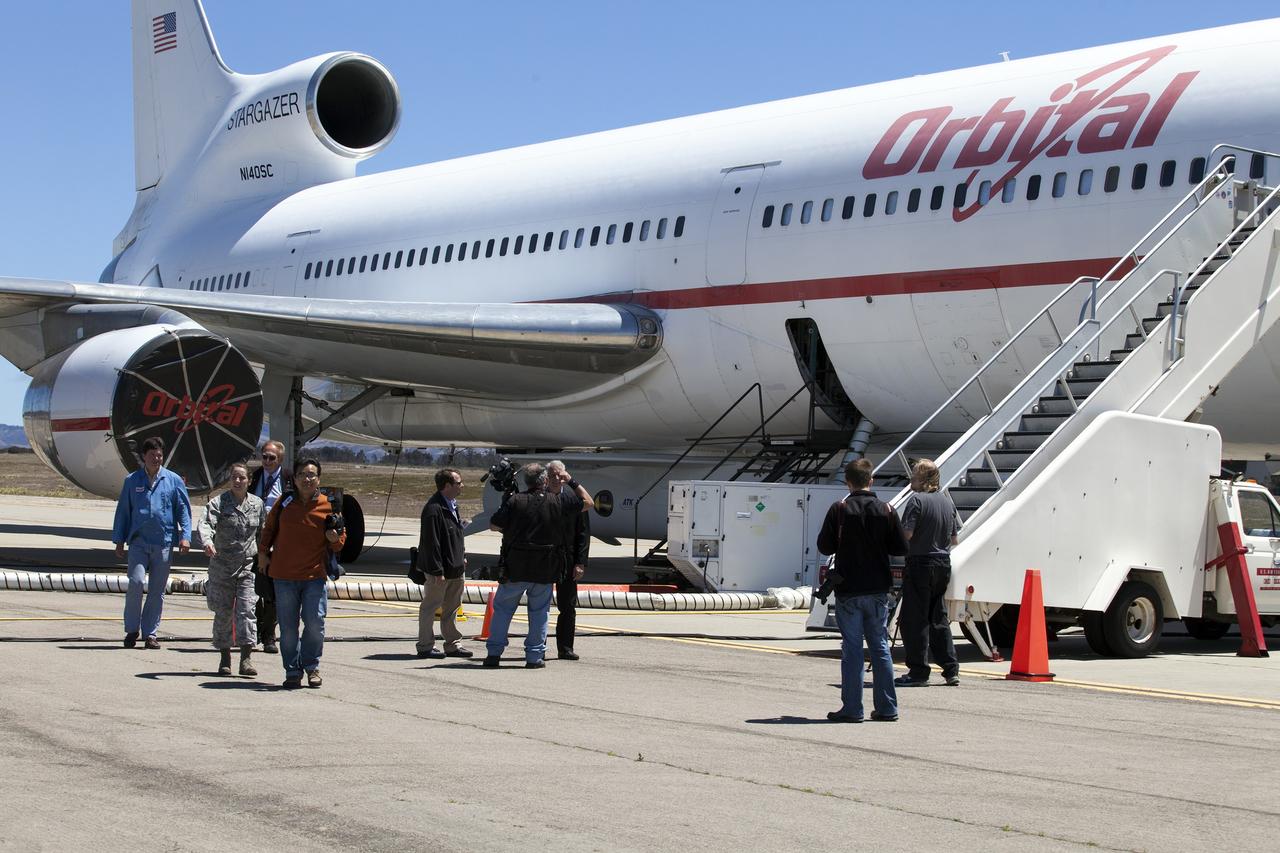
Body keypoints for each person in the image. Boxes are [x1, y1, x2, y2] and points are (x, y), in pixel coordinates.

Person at [816, 458, 908, 723]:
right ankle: (887, 707)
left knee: (852, 649)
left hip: (849, 588)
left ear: (848, 482)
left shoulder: (840, 509)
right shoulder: (887, 509)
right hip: (878, 588)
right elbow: (901, 548)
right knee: (880, 647)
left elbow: (824, 546)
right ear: (871, 480)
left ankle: (852, 708)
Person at [485, 463, 592, 668]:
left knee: (503, 611)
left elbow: (494, 525)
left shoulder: (515, 500)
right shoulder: (556, 502)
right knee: (539, 613)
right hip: (544, 568)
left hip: (516, 567)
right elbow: (588, 502)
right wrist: (571, 480)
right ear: (544, 480)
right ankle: (534, 657)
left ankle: (494, 654)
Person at [257, 458, 346, 689]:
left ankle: (311, 666)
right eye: (302, 475)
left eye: (311, 475)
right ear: (294, 479)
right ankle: (292, 671)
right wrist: (263, 553)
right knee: (288, 629)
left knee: (315, 623)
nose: (307, 479)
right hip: (284, 576)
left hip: (314, 577)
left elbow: (339, 542)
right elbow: (269, 529)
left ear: (319, 479)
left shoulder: (329, 506)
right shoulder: (284, 502)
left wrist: (334, 539)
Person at [112, 436, 191, 649]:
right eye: (153, 455)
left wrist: (185, 536)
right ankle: (131, 630)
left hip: (163, 542)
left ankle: (150, 634)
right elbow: (123, 511)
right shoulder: (132, 481)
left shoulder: (173, 480)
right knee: (136, 583)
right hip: (138, 542)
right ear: (144, 457)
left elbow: (183, 510)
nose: (157, 459)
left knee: (157, 590)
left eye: (159, 455)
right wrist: (119, 540)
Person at [895, 459, 962, 688]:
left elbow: (907, 534)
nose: (910, 479)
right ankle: (950, 668)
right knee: (938, 617)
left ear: (923, 479)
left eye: (914, 475)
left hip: (920, 562)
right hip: (943, 563)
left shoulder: (916, 500)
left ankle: (919, 671)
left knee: (914, 619)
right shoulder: (946, 502)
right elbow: (954, 539)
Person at [198, 463, 265, 676]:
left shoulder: (257, 504)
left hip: (246, 566)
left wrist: (266, 556)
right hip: (222, 566)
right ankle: (225, 657)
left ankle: (246, 658)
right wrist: (207, 542)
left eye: (242, 478)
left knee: (247, 611)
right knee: (223, 612)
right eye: (234, 477)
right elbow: (206, 524)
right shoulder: (218, 503)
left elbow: (263, 533)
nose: (237, 481)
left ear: (249, 481)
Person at [415, 468, 473, 660]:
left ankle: (452, 644)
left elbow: (455, 535)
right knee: (430, 607)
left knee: (452, 608)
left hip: (455, 568)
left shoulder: (452, 506)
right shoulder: (433, 509)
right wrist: (436, 571)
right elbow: (431, 543)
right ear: (447, 485)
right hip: (440, 571)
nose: (462, 486)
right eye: (458, 483)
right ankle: (425, 645)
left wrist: (461, 556)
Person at [249, 440, 293, 654]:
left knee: (273, 591)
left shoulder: (288, 480)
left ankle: (269, 636)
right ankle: (255, 631)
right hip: (254, 540)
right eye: (264, 456)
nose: (266, 461)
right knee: (255, 587)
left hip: (278, 540)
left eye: (271, 458)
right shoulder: (254, 476)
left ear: (280, 460)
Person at [547, 460, 590, 661]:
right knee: (540, 606)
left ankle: (565, 648)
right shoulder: (540, 498)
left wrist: (580, 562)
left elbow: (583, 533)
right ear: (546, 478)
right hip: (545, 559)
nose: (556, 479)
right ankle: (538, 646)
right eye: (552, 476)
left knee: (568, 606)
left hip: (568, 560)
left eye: (560, 476)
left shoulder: (573, 501)